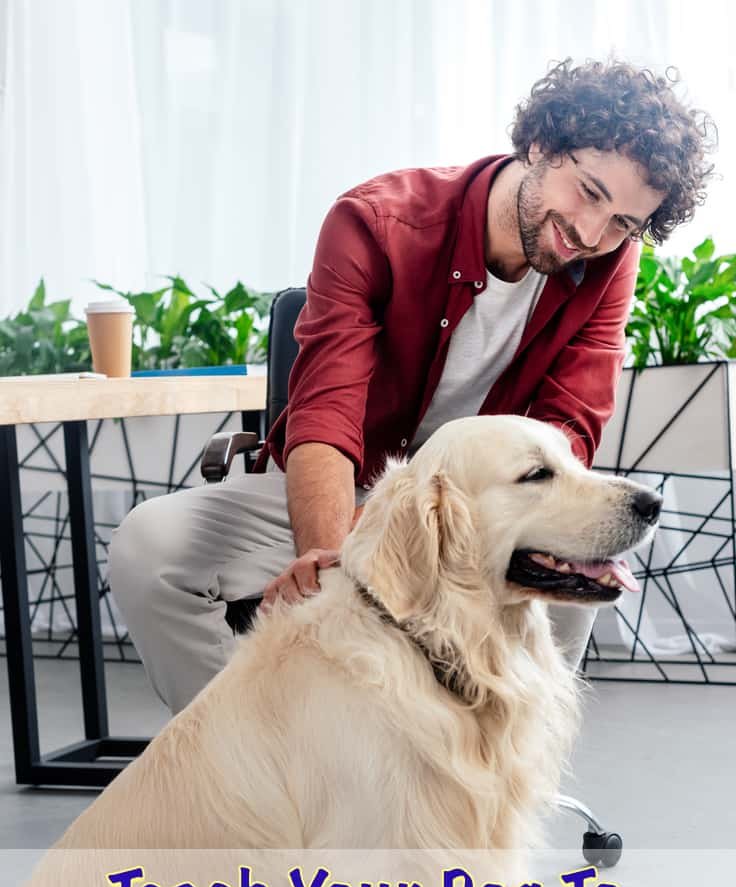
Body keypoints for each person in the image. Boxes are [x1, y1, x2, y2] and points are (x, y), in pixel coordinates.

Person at [108, 58, 714, 716]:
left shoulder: (607, 263)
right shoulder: (375, 222)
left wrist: (466, 522)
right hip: (345, 488)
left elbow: (569, 428)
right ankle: (252, 761)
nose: (592, 234)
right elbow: (325, 416)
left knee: (570, 595)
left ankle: (488, 792)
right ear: (542, 143)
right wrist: (331, 552)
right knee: (151, 548)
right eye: (589, 193)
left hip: (473, 509)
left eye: (624, 222)